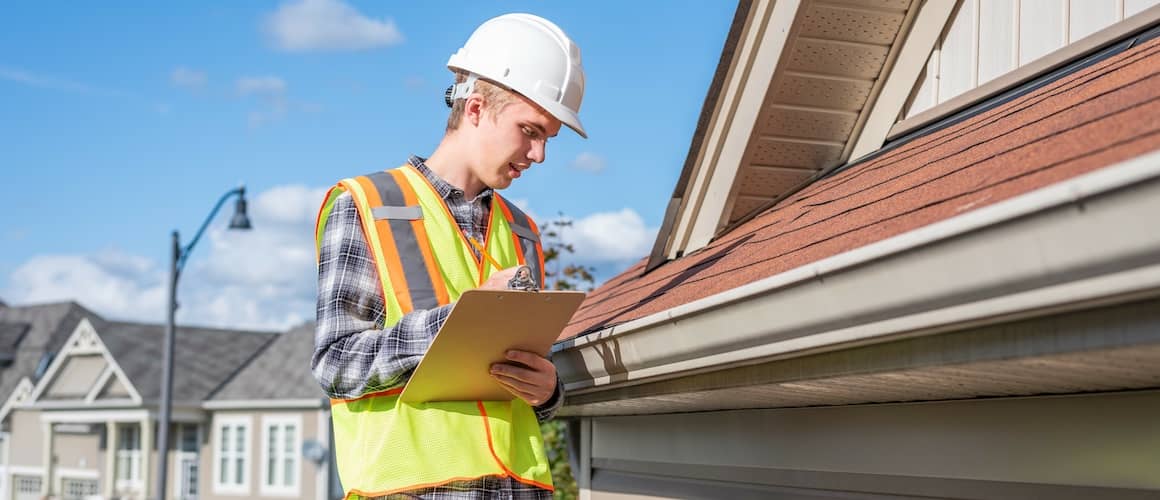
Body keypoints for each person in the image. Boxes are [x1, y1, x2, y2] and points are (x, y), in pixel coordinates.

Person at [311, 12, 587, 500]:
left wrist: (548, 393)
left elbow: (515, 383)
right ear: (476, 108)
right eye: (530, 130)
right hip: (413, 490)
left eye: (547, 138)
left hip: (521, 489)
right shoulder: (367, 205)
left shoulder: (521, 230)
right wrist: (461, 319)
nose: (538, 154)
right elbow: (336, 364)